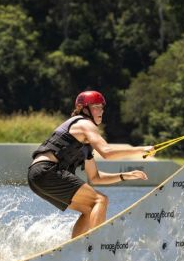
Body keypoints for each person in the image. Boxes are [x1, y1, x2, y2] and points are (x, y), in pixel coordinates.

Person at [28, 90, 154, 238]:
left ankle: (75, 249)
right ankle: (96, 245)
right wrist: (140, 150)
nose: (100, 111)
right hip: (47, 171)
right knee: (100, 200)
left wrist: (125, 175)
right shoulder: (84, 123)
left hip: (36, 178)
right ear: (83, 109)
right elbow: (106, 152)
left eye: (101, 107)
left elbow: (95, 177)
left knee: (89, 209)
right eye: (95, 107)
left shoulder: (85, 144)